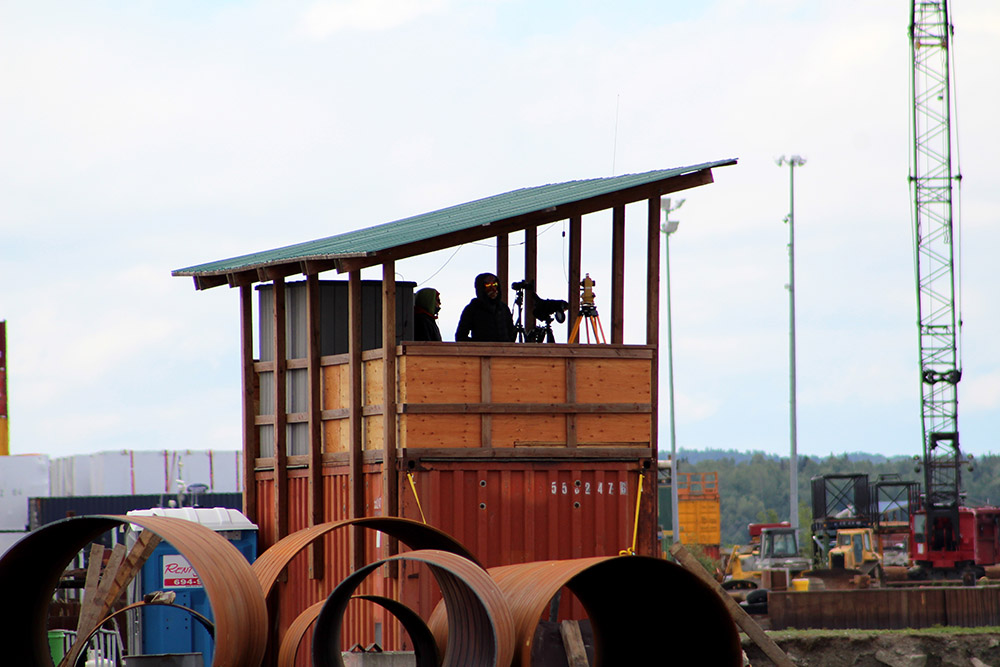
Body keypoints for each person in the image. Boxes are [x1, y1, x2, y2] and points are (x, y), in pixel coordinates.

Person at [455, 273, 515, 342]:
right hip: (482, 351)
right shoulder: (472, 309)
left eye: (495, 284)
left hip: (504, 351)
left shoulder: (503, 308)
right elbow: (461, 336)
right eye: (488, 285)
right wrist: (478, 346)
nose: (492, 288)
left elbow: (511, 332)